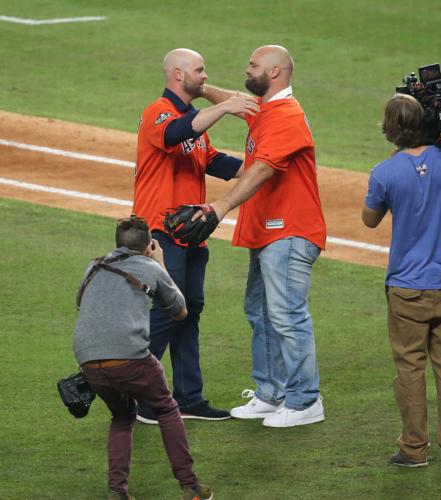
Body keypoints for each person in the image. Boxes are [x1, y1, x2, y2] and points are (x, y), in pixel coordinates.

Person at [197, 45, 327, 428]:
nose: (246, 68)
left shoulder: (287, 116)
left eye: (253, 64)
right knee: (262, 313)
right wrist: (204, 91)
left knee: (287, 316)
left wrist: (218, 207)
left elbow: (261, 172)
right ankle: (272, 393)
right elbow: (238, 101)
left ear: (274, 72)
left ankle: (305, 400)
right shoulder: (267, 109)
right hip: (269, 231)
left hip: (289, 231)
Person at [132, 48, 259, 424]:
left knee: (189, 314)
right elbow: (175, 135)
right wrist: (221, 108)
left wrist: (263, 165)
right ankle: (143, 400)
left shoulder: (193, 117)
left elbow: (215, 161)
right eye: (199, 71)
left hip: (192, 234)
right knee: (167, 313)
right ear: (176, 74)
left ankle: (188, 397)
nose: (205, 76)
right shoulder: (159, 112)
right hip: (160, 232)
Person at [361, 93, 441, 469]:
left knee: (410, 369)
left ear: (390, 129)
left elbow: (369, 219)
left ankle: (414, 451)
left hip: (408, 291)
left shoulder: (385, 172)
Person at [73, 216, 213, 500]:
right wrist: (160, 262)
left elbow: (82, 304)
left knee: (122, 416)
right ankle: (191, 487)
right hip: (130, 359)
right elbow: (180, 310)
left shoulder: (93, 266)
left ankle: (117, 491)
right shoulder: (150, 266)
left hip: (88, 362)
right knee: (166, 408)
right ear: (149, 245)